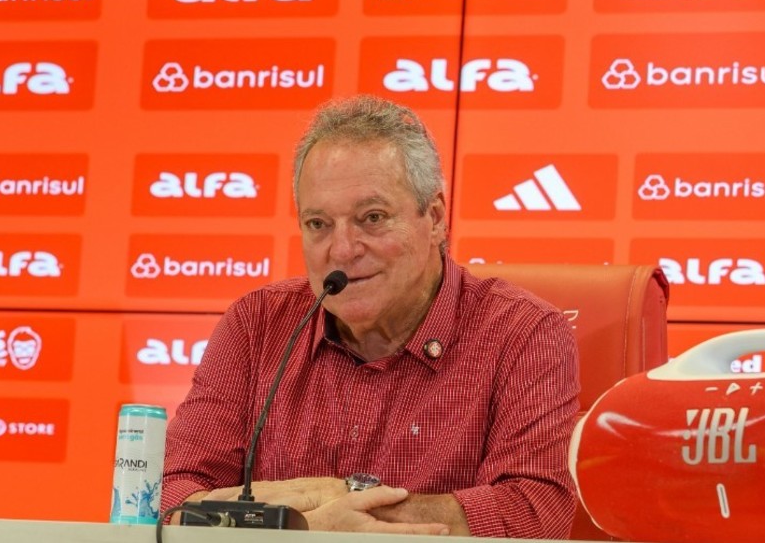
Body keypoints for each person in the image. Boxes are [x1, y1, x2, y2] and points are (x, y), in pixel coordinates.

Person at [160, 94, 581, 538]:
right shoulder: (256, 324)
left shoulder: (524, 333)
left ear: (435, 217)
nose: (342, 250)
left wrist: (337, 509)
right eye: (319, 224)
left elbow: (535, 511)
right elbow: (171, 493)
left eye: (372, 218)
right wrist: (303, 522)